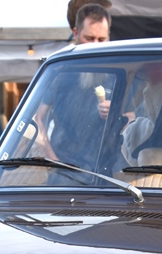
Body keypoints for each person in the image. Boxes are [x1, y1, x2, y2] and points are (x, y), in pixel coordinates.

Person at [34, 3, 112, 167]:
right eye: (89, 38)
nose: (95, 46)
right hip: (64, 170)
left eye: (101, 40)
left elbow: (133, 119)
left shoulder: (119, 70)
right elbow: (37, 119)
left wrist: (116, 112)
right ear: (76, 33)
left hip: (107, 170)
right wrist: (54, 161)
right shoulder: (60, 70)